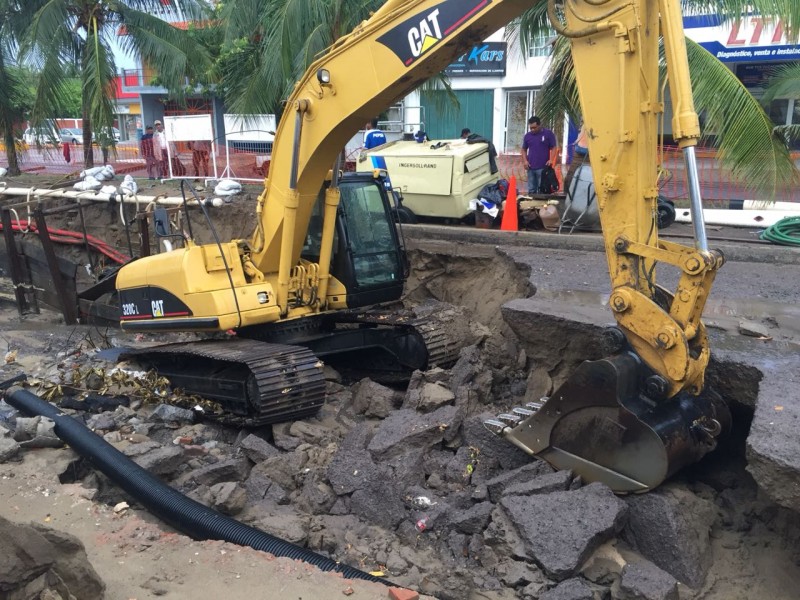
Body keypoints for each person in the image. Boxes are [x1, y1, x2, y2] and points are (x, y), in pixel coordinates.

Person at [520, 115, 557, 196]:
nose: (533, 130)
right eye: (531, 128)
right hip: (530, 167)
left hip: (543, 168)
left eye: (535, 127)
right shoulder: (527, 136)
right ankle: (531, 206)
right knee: (531, 189)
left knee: (542, 189)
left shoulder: (548, 134)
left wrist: (551, 159)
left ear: (540, 125)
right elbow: (523, 149)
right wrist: (525, 161)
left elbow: (554, 147)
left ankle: (541, 207)